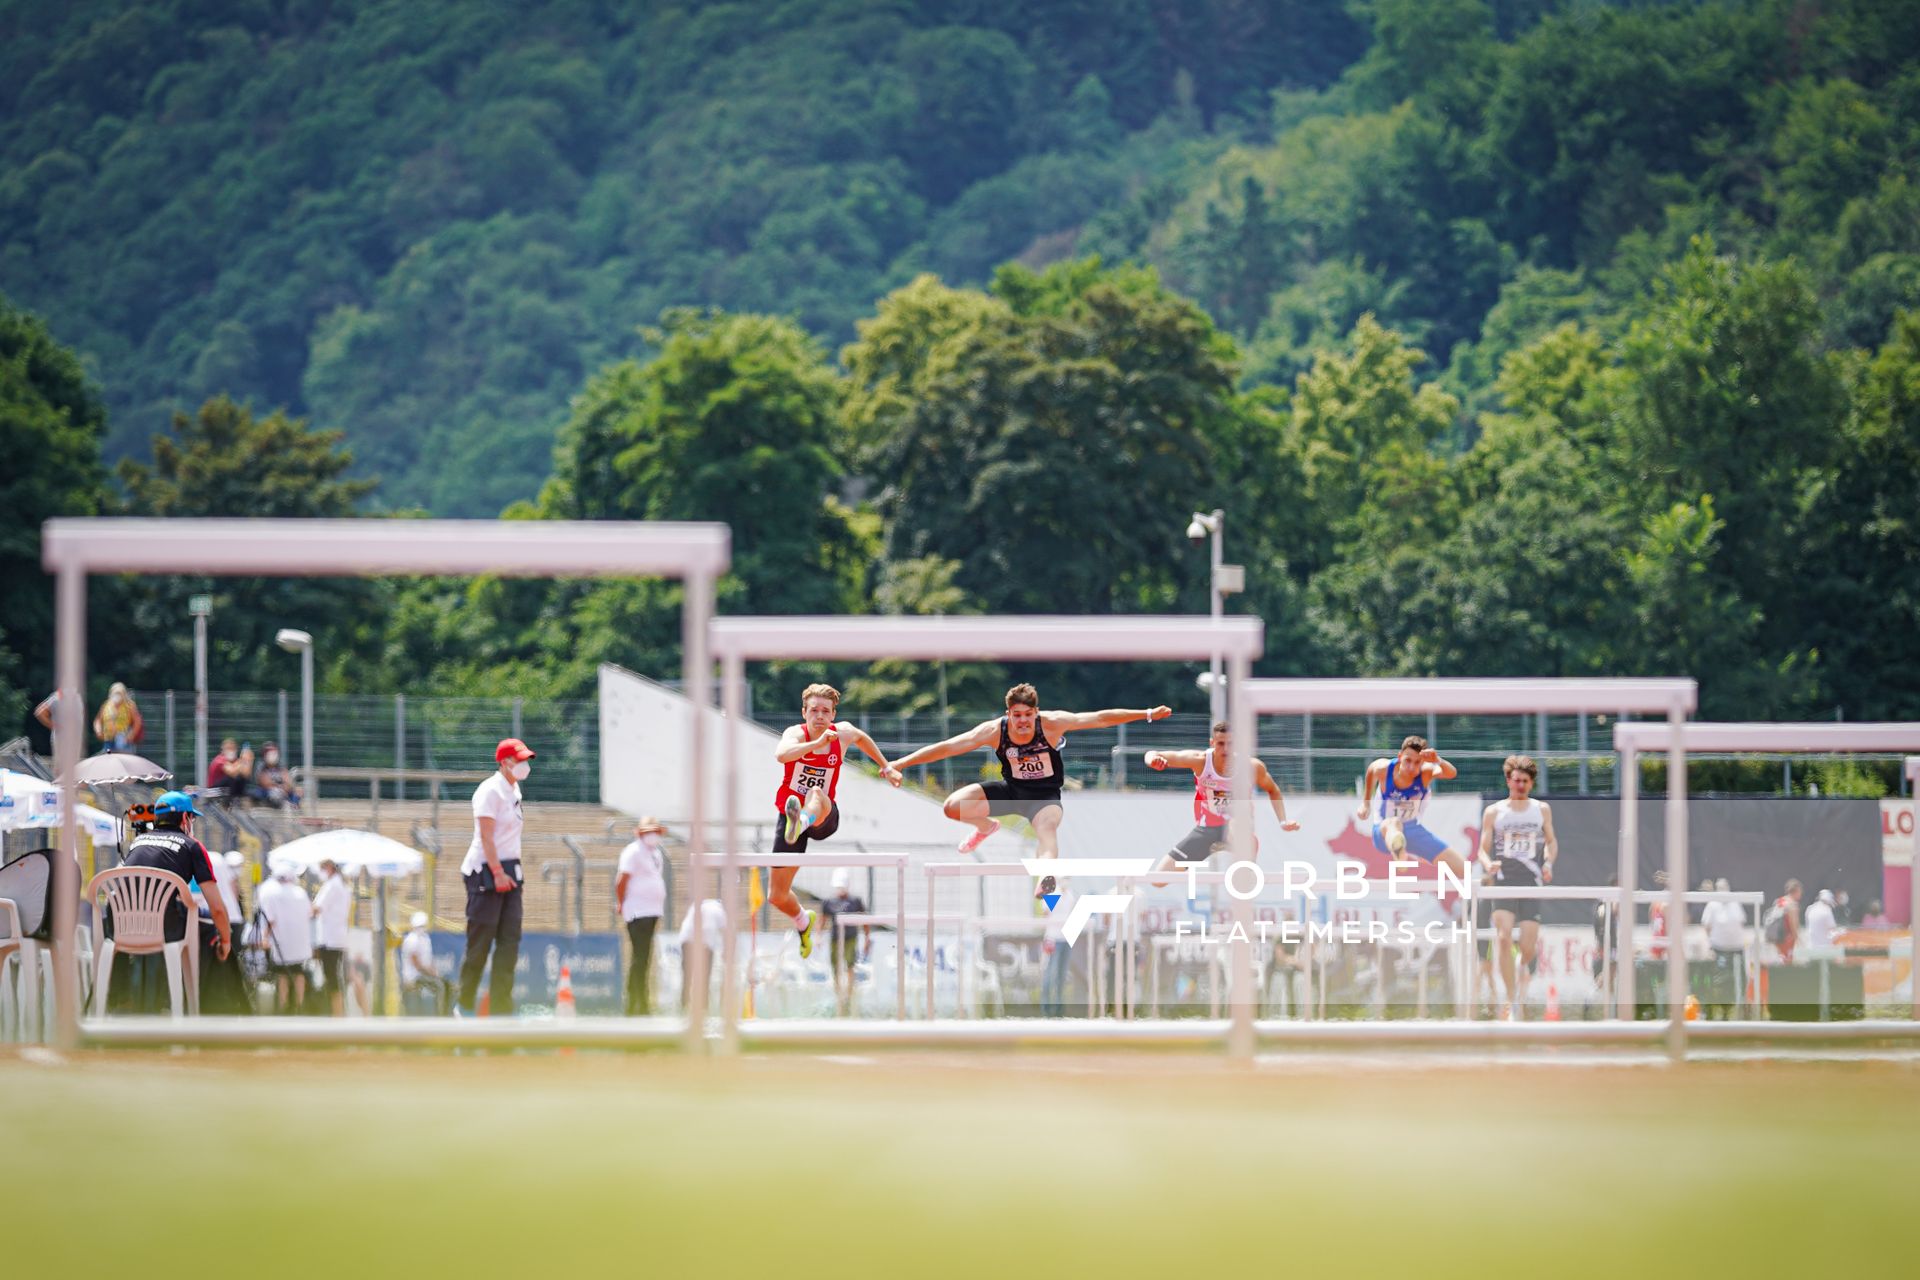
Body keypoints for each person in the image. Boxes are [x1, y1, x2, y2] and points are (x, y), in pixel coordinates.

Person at [890, 684, 1172, 898]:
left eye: (1027, 715)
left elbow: (1100, 718)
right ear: (1007, 714)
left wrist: (1146, 714)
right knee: (953, 806)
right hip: (1011, 792)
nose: (1022, 722)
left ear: (1036, 713)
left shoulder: (1051, 724)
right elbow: (948, 746)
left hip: (1044, 797)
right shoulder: (993, 731)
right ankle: (986, 827)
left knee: (1046, 831)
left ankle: (1046, 876)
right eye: (1016, 716)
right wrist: (901, 763)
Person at [770, 683, 901, 958]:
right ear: (804, 713)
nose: (819, 716)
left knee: (817, 792)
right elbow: (781, 754)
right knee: (777, 896)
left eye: (825, 712)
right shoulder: (795, 733)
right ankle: (803, 922)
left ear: (833, 715)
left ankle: (803, 819)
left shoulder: (842, 733)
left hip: (823, 815)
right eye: (814, 710)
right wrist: (816, 744)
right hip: (789, 815)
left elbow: (862, 738)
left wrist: (885, 766)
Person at [1142, 719, 1300, 884]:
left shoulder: (1251, 767)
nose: (1225, 749)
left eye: (1231, 744)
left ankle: (1245, 863)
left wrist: (1283, 821)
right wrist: (1153, 760)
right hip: (1206, 830)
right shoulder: (1200, 761)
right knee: (1158, 880)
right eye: (1220, 744)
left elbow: (1273, 789)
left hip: (1239, 829)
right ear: (1212, 743)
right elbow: (1152, 753)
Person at [116, 790, 232, 1011]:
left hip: (123, 927)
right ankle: (196, 1007)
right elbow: (217, 908)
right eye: (193, 818)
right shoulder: (192, 845)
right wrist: (225, 941)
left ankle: (120, 1000)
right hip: (163, 928)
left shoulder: (137, 842)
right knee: (209, 926)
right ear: (186, 818)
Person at [1476, 754, 1558, 1021]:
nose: (1520, 785)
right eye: (1516, 781)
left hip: (1530, 880)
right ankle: (1511, 1000)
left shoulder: (1541, 809)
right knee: (1502, 938)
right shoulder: (1495, 812)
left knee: (1528, 947)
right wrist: (1488, 864)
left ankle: (1522, 984)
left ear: (1531, 784)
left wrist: (1548, 862)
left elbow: (1551, 841)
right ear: (1508, 781)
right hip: (1504, 881)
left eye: (1525, 781)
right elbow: (1482, 849)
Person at [457, 738, 533, 1016]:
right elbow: (486, 836)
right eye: (519, 759)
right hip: (485, 871)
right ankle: (463, 1009)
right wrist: (497, 872)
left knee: (509, 944)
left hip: (511, 869)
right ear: (504, 762)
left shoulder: (514, 790)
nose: (524, 765)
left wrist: (507, 872)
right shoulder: (490, 790)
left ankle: (502, 1015)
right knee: (480, 945)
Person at [1358, 736, 1467, 882]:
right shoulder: (1384, 769)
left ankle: (1401, 849)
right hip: (1384, 832)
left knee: (1464, 869)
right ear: (1399, 756)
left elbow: (1451, 773)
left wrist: (1438, 760)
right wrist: (1366, 802)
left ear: (1422, 762)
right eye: (1407, 761)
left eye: (1417, 763)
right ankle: (1398, 850)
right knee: (1394, 823)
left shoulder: (1426, 772)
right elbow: (1371, 770)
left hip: (1413, 831)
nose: (1411, 767)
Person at [615, 816, 669, 1015]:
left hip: (652, 910)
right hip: (638, 910)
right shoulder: (633, 851)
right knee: (639, 956)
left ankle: (641, 1000)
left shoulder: (655, 853)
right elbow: (622, 880)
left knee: (644, 957)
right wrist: (622, 903)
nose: (653, 836)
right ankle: (635, 1002)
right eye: (649, 832)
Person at [256, 862, 313, 1014]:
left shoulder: (273, 894)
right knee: (298, 972)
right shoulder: (300, 893)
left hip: (283, 943)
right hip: (300, 942)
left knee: (282, 975)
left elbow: (271, 920)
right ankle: (300, 1006)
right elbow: (309, 913)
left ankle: (283, 1006)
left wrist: (264, 938)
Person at [820, 868, 869, 1016]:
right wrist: (817, 936)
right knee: (835, 966)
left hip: (850, 937)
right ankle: (838, 993)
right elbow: (823, 919)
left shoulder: (855, 901)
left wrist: (867, 937)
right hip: (835, 938)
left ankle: (849, 993)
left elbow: (864, 919)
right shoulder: (829, 902)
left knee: (850, 964)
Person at [311, 857, 351, 1015]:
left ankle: (337, 1015)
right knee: (336, 977)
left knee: (332, 978)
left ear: (328, 867)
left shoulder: (331, 885)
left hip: (329, 938)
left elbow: (316, 908)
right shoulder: (342, 885)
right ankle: (338, 1013)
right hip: (337, 937)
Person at [1702, 876, 1746, 1016]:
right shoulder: (1712, 904)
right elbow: (1706, 926)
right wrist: (1710, 944)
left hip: (1737, 948)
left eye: (1725, 887)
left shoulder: (1735, 902)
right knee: (1721, 981)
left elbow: (1741, 922)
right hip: (1719, 949)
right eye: (1720, 888)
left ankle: (1738, 1007)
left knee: (1739, 979)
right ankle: (1722, 1009)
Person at [677, 897, 729, 1011]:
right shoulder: (719, 910)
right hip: (704, 943)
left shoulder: (697, 905)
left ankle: (683, 1006)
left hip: (686, 940)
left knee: (687, 976)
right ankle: (703, 1008)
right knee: (704, 977)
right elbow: (727, 931)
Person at [399, 912, 448, 1015]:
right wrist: (432, 973)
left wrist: (435, 972)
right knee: (439, 986)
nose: (421, 928)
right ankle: (441, 1016)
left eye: (422, 926)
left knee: (446, 983)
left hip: (423, 974)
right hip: (413, 976)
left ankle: (442, 1014)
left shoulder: (425, 938)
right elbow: (416, 964)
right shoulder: (411, 940)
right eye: (419, 926)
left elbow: (428, 960)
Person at [92, 682, 144, 752]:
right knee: (108, 758)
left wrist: (131, 735)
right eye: (115, 693)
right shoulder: (106, 705)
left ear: (124, 694)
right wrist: (98, 730)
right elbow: (98, 720)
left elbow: (138, 721)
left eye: (119, 693)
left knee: (122, 758)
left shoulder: (129, 706)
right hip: (108, 739)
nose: (117, 696)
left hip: (122, 738)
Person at [1765, 879, 1803, 963]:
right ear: (1796, 891)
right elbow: (1794, 925)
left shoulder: (1779, 901)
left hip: (1776, 938)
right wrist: (1798, 940)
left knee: (1780, 959)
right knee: (1787, 962)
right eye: (1800, 891)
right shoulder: (1792, 904)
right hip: (1787, 938)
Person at [254, 743, 302, 808]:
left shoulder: (280, 767)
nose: (273, 755)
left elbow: (288, 782)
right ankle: (286, 805)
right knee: (274, 792)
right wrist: (280, 787)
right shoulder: (261, 766)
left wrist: (283, 788)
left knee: (298, 791)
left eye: (275, 753)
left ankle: (293, 807)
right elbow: (265, 783)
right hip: (267, 792)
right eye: (270, 753)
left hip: (282, 791)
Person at [206, 738, 253, 803]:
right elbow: (232, 772)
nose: (231, 751)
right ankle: (229, 802)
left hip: (226, 789)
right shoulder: (219, 759)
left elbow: (246, 774)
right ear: (223, 750)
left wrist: (248, 761)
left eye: (233, 749)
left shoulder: (235, 761)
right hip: (213, 790)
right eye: (228, 748)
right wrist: (242, 760)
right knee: (231, 778)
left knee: (241, 778)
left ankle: (240, 799)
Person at [1804, 888, 1839, 953]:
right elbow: (1832, 930)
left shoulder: (1809, 909)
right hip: (1824, 949)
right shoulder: (1827, 910)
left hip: (1810, 947)